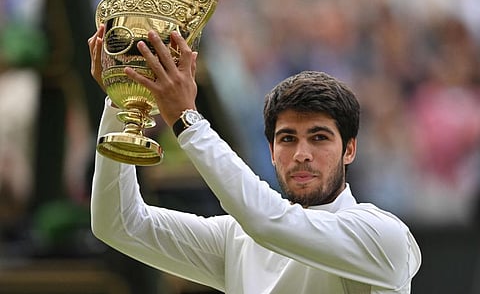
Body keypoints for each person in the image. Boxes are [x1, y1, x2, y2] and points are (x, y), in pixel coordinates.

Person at [88, 25, 421, 293]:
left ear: (350, 149)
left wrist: (187, 120)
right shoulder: (237, 239)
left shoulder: (384, 236)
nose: (302, 154)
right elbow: (118, 223)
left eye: (319, 138)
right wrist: (124, 100)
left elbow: (267, 222)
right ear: (272, 153)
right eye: (287, 139)